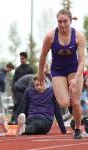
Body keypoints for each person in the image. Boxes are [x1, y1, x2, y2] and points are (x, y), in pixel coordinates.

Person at [37, 8, 86, 139]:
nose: (63, 25)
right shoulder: (50, 36)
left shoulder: (79, 36)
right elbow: (42, 57)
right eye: (60, 22)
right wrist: (40, 74)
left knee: (75, 102)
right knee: (64, 103)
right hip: (57, 70)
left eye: (65, 21)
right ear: (56, 22)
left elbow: (82, 61)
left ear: (70, 21)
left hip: (74, 69)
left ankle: (77, 129)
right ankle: (74, 109)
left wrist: (76, 79)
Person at [10, 52, 34, 124]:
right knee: (19, 103)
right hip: (17, 89)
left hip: (26, 90)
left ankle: (24, 119)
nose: (21, 60)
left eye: (22, 58)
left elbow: (32, 80)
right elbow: (14, 80)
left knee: (25, 104)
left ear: (26, 59)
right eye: (20, 58)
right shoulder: (17, 69)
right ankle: (15, 120)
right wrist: (12, 90)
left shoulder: (30, 69)